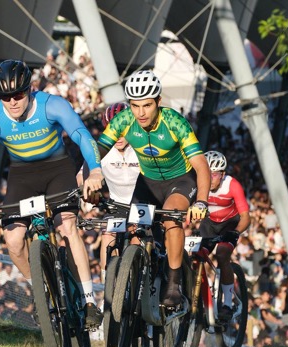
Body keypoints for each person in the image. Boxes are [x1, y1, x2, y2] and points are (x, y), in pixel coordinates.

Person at [0, 59, 105, 328]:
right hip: (22, 175)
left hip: (57, 168)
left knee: (67, 226)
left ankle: (88, 302)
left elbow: (82, 135)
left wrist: (95, 171)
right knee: (13, 240)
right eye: (5, 97)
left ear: (29, 89)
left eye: (18, 95)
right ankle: (42, 291)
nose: (13, 102)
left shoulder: (52, 104)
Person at [98, 70, 210, 310]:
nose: (140, 113)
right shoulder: (124, 120)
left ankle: (174, 283)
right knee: (135, 231)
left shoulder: (175, 122)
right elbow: (97, 151)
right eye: (135, 105)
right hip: (148, 182)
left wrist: (201, 202)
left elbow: (201, 165)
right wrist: (91, 175)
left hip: (180, 181)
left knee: (170, 218)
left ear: (158, 101)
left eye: (147, 105)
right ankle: (137, 282)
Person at [77, 102, 140, 282]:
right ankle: (108, 284)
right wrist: (87, 190)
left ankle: (140, 280)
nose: (118, 136)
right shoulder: (102, 151)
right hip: (116, 205)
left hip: (141, 205)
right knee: (108, 234)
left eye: (122, 130)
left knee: (138, 237)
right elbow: (81, 176)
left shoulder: (141, 147)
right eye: (112, 130)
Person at [198, 150, 251, 320]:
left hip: (230, 224)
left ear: (222, 174)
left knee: (222, 254)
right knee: (196, 256)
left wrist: (235, 232)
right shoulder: (198, 182)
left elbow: (246, 217)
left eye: (214, 174)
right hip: (209, 223)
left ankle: (228, 303)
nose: (210, 178)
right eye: (207, 173)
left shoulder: (232, 185)